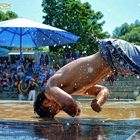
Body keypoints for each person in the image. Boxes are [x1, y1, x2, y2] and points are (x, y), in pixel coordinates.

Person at [34, 39, 140, 118]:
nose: (59, 110)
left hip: (112, 52)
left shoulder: (50, 88)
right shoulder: (76, 89)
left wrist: (75, 112)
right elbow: (103, 90)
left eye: (55, 111)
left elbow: (69, 104)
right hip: (113, 58)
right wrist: (97, 102)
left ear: (46, 103)